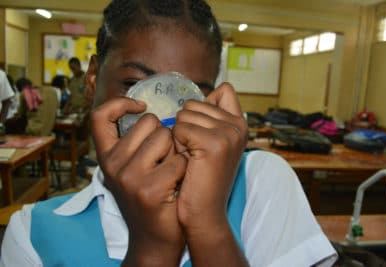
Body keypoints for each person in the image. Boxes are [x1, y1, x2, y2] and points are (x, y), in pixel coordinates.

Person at [0, 1, 337, 266]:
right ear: (92, 82)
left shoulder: (263, 181)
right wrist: (153, 247)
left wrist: (208, 223)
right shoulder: (32, 235)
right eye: (135, 85)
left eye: (187, 96)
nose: (161, 119)